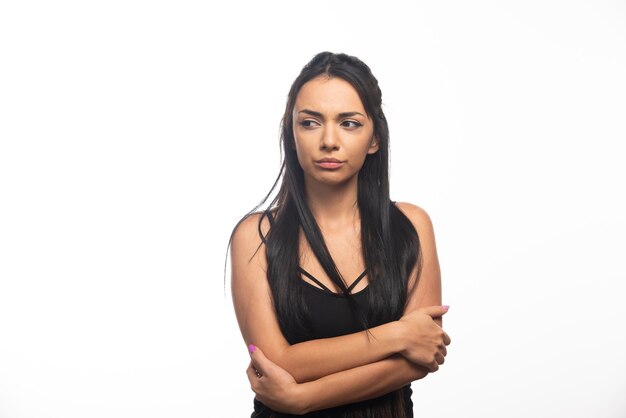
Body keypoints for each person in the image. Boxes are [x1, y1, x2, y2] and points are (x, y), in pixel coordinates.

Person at [228, 51, 451, 417]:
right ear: (292, 132)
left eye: (349, 123)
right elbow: (279, 361)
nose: (329, 140)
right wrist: (395, 335)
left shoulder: (411, 226)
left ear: (375, 138)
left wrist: (303, 399)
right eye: (311, 122)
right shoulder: (255, 237)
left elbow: (421, 357)